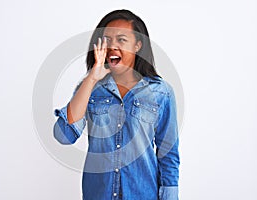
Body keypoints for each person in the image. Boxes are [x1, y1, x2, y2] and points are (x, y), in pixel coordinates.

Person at [53, 9, 180, 200]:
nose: (113, 46)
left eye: (121, 40)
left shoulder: (161, 92)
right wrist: (91, 79)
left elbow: (168, 154)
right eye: (107, 40)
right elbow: (63, 135)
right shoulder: (90, 88)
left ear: (137, 45)